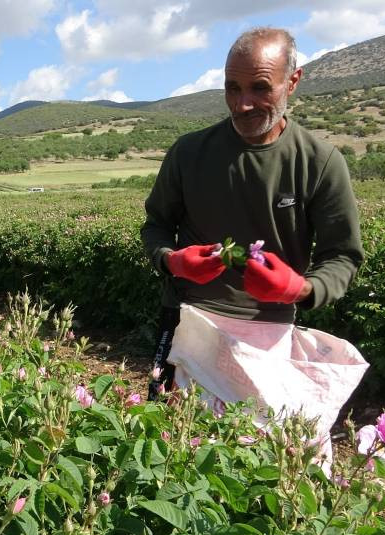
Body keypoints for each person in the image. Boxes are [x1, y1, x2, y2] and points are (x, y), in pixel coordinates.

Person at [141, 27, 364, 401]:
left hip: (268, 332)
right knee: (169, 441)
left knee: (256, 446)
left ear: (292, 81)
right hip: (187, 321)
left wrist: (301, 289)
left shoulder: (319, 162)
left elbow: (342, 255)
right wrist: (172, 262)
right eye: (232, 87)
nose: (242, 103)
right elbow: (157, 226)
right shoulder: (188, 153)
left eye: (260, 88)